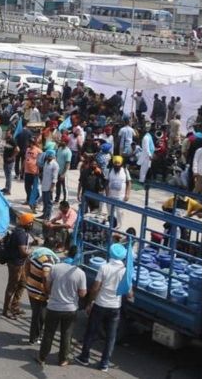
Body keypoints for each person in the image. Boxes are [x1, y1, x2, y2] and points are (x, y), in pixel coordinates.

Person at [75, 244, 132, 372]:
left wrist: (90, 302)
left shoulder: (104, 267)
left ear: (110, 254)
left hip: (100, 304)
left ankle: (84, 357)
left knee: (91, 331)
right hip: (115, 308)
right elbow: (129, 293)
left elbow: (95, 287)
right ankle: (104, 364)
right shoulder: (125, 271)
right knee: (111, 337)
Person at [37, 245, 87, 367]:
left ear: (67, 253)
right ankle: (63, 359)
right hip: (70, 309)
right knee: (67, 334)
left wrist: (52, 292)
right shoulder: (80, 273)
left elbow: (47, 286)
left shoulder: (55, 267)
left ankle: (42, 357)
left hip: (54, 306)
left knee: (49, 333)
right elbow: (82, 294)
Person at [25, 247, 60, 345]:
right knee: (39, 316)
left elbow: (26, 264)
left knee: (37, 314)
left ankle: (36, 335)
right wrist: (47, 291)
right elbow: (45, 276)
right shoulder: (48, 260)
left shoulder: (36, 254)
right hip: (39, 292)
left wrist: (27, 277)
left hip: (31, 287)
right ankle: (34, 338)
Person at [3, 212, 31, 320]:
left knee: (22, 284)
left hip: (20, 263)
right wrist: (31, 252)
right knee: (12, 287)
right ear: (27, 224)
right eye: (31, 223)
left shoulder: (19, 231)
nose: (31, 224)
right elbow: (23, 252)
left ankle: (14, 306)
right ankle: (6, 310)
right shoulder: (21, 234)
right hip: (16, 264)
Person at [105, 155, 131, 229]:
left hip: (121, 197)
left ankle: (119, 226)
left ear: (121, 163)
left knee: (120, 212)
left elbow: (129, 182)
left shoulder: (125, 171)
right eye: (115, 163)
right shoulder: (109, 170)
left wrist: (127, 194)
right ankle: (111, 224)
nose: (117, 164)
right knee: (110, 212)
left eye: (118, 163)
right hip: (110, 196)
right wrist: (107, 194)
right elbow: (106, 183)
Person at [40, 149, 59, 219]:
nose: (48, 157)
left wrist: (51, 188)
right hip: (44, 185)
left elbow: (55, 178)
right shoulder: (46, 163)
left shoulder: (55, 165)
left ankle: (47, 216)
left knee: (49, 203)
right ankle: (44, 214)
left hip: (49, 187)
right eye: (48, 156)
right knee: (44, 202)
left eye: (50, 156)